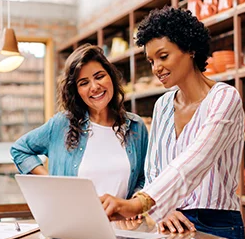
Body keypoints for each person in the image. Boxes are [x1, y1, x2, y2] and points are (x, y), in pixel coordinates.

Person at [100, 6, 245, 239]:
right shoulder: (163, 105)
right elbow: (154, 170)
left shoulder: (224, 98)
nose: (156, 67)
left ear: (189, 49)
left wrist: (140, 203)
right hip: (170, 221)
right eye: (151, 60)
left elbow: (196, 160)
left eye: (163, 56)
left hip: (216, 224)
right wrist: (163, 210)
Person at [10, 44, 148, 200]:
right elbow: (20, 150)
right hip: (71, 223)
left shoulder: (136, 126)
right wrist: (51, 181)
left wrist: (135, 201)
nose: (95, 87)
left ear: (111, 77)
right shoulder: (62, 124)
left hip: (120, 224)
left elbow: (144, 177)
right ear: (76, 91)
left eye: (99, 76)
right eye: (84, 83)